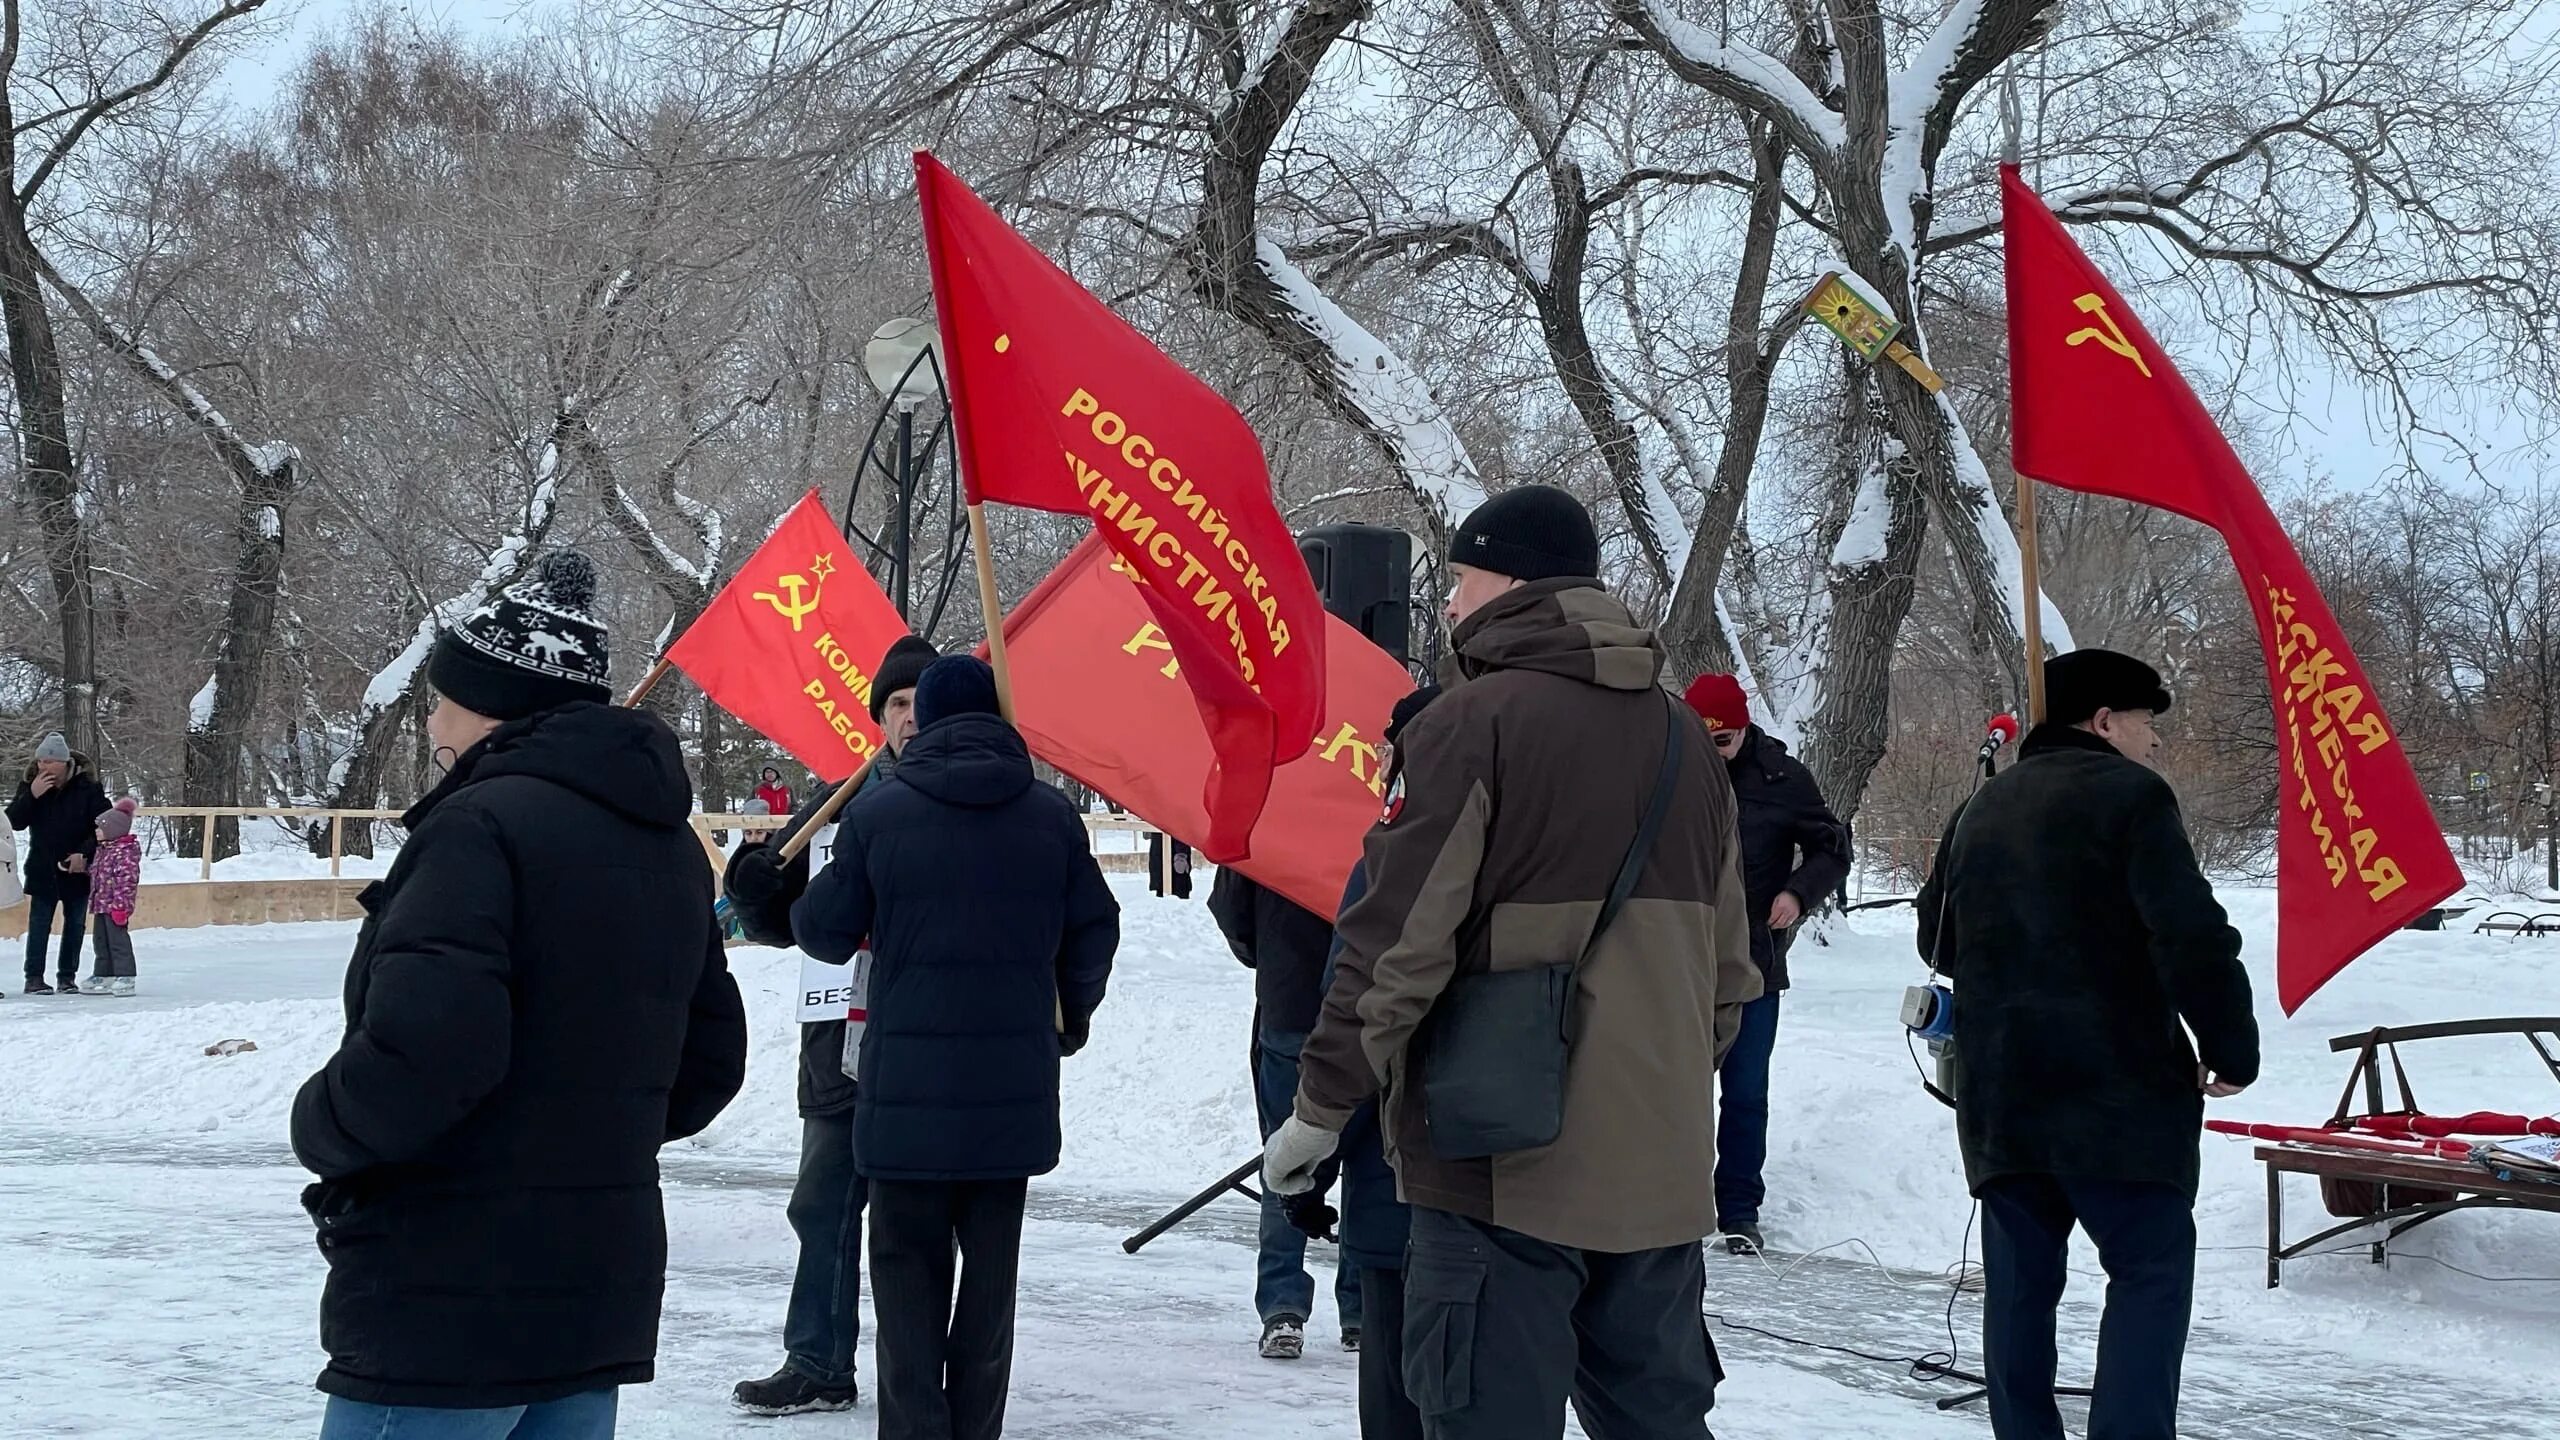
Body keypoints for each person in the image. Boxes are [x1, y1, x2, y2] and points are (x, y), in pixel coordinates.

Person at [1267, 484, 1758, 1440]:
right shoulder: (1689, 748)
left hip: (1499, 1165)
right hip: (1657, 1176)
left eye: (1459, 579)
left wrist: (1318, 1112)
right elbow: (1731, 971)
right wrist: (1651, 1091)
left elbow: (1391, 951)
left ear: (1512, 583)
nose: (1448, 604)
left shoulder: (1466, 726)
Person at [291, 551, 749, 1440]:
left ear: (488, 704)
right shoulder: (668, 844)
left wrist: (322, 1127)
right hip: (591, 1287)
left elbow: (426, 1057)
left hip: (447, 1296)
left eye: (441, 698)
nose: (431, 720)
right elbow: (705, 1062)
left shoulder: (476, 829)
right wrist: (581, 1135)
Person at [1914, 648, 2258, 1440]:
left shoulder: (1980, 809)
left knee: (2019, 1292)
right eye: (2146, 722)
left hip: (2003, 1099)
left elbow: (1936, 940)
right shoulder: (2132, 796)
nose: (2156, 741)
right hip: (2118, 1098)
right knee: (2148, 1273)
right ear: (2104, 721)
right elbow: (2190, 935)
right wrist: (2230, 1046)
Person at [793, 655, 1118, 1440]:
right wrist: (1067, 1017)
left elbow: (824, 933)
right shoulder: (1051, 817)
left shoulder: (879, 816)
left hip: (903, 1097)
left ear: (927, 721)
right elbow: (1096, 931)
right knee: (989, 1290)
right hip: (1012, 1095)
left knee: (905, 1281)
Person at [722, 631, 939, 1416]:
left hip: (926, 1047)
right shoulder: (837, 801)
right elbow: (787, 919)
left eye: (922, 701)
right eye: (898, 704)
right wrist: (753, 890)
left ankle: (921, 1373)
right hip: (836, 1046)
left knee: (919, 1223)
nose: (911, 718)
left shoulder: (958, 797)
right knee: (823, 1205)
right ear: (879, 716)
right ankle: (816, 1358)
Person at [1294, 682, 1439, 1440]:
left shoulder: (1387, 868)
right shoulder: (1538, 864)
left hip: (1400, 1178)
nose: (1380, 759)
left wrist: (1310, 1166)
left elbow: (1355, 1032)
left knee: (1396, 1397)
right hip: (1511, 1195)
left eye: (1391, 747)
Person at [1681, 673, 1852, 1256]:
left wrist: (1798, 893)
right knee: (1672, 1087)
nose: (1716, 752)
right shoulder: (1668, 766)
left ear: (1744, 727)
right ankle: (1673, 1197)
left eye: (1725, 741)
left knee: (1746, 1091)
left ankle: (1737, 1209)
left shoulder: (1783, 777)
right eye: (1706, 741)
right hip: (1677, 958)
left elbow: (1833, 845)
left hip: (1753, 957)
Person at [1209, 851, 1359, 1359]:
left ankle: (1282, 1308)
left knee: (1284, 1158)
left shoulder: (1273, 801)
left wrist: (1273, 951)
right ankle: (1364, 1311)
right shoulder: (1376, 803)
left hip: (1289, 1001)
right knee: (1373, 1160)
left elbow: (1232, 910)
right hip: (1371, 1009)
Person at [9, 731, 108, 995]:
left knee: (75, 924)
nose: (43, 766)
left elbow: (104, 824)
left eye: (49, 762)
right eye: (40, 761)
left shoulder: (88, 787)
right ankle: (34, 978)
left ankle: (67, 977)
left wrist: (84, 853)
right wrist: (32, 794)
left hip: (76, 868)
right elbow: (13, 822)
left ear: (64, 763)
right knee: (39, 924)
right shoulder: (31, 784)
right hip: (42, 868)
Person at [80, 797, 144, 996]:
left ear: (114, 829)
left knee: (118, 941)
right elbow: (99, 873)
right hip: (101, 903)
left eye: (100, 828)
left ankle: (125, 975)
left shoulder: (125, 853)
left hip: (116, 906)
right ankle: (104, 973)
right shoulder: (104, 850)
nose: (96, 831)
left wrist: (121, 907)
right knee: (100, 940)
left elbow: (127, 881)